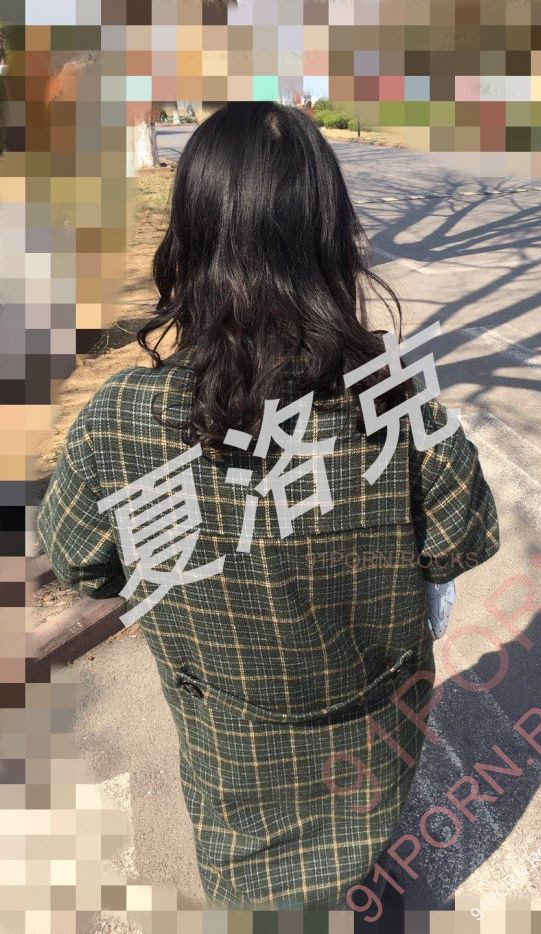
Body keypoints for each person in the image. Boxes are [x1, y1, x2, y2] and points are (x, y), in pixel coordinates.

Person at [36, 101, 500, 911]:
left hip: (233, 762)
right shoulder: (396, 406)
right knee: (364, 882)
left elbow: (83, 563)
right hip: (371, 752)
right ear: (331, 239)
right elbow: (460, 540)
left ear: (189, 239)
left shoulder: (119, 418)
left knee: (257, 903)